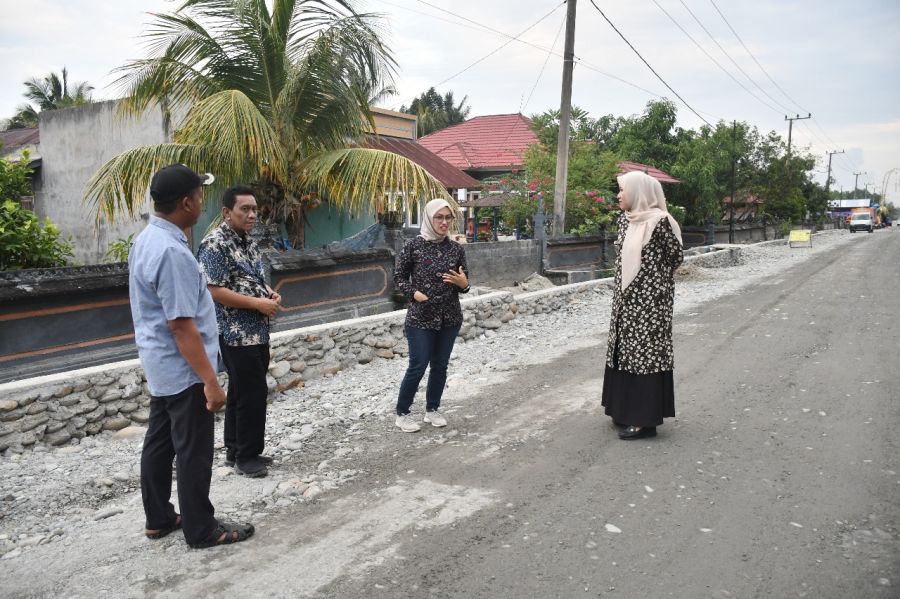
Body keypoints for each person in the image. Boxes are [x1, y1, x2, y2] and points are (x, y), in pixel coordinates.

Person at [130, 163, 254, 548]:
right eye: (200, 195)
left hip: (162, 365)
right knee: (194, 451)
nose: (203, 201)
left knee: (160, 443)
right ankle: (201, 528)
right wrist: (211, 382)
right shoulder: (172, 252)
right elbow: (182, 326)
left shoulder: (147, 240)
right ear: (187, 202)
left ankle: (159, 517)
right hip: (185, 371)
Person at [198, 186, 281, 478]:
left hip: (258, 329)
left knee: (241, 391)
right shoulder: (214, 244)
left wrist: (268, 294)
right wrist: (256, 303)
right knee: (253, 393)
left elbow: (254, 278)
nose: (252, 215)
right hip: (234, 332)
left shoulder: (248, 242)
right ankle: (248, 457)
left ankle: (235, 451)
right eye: (244, 209)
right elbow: (214, 290)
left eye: (254, 209)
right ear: (226, 212)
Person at [601, 171, 684, 440]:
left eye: (623, 190)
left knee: (646, 354)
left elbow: (675, 257)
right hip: (625, 299)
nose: (619, 195)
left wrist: (652, 283)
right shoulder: (624, 220)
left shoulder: (661, 222)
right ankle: (622, 410)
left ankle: (644, 420)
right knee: (624, 350)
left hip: (651, 303)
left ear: (638, 192)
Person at [393, 198, 470, 432]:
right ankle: (403, 413)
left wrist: (464, 284)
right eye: (439, 217)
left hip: (450, 317)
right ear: (429, 218)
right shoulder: (413, 246)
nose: (444, 222)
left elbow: (464, 283)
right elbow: (398, 277)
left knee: (440, 365)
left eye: (448, 217)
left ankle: (432, 410)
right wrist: (414, 293)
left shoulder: (456, 249)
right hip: (421, 317)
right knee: (418, 365)